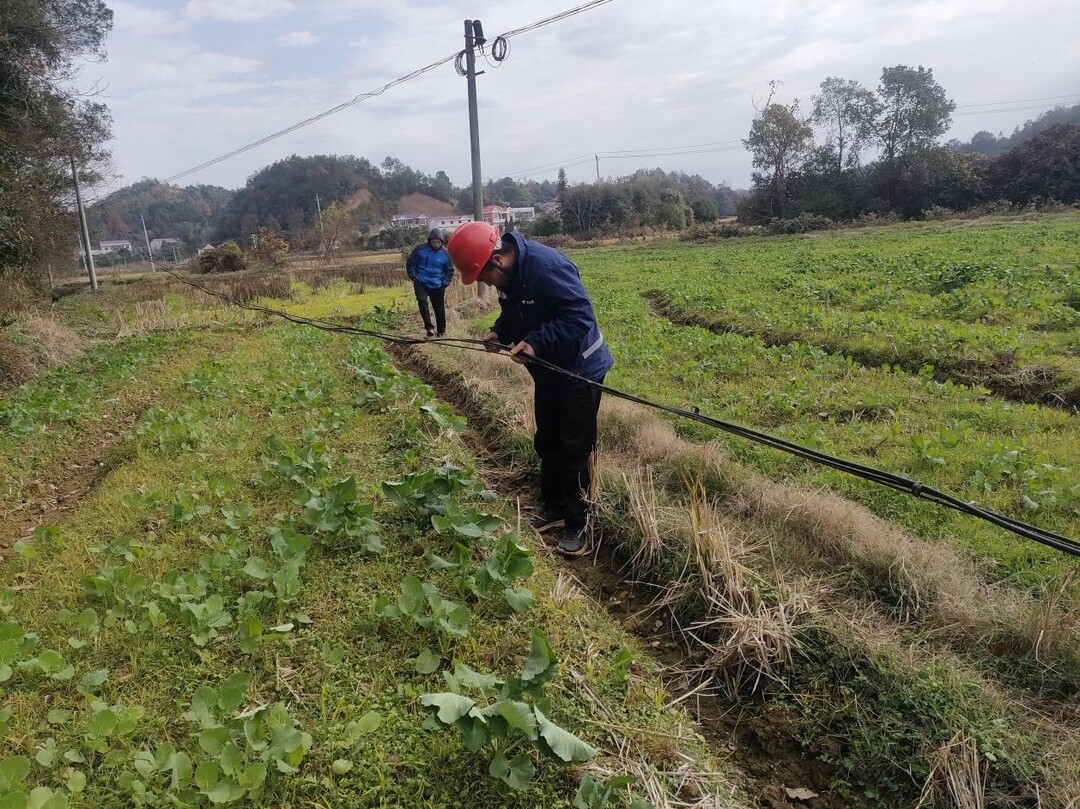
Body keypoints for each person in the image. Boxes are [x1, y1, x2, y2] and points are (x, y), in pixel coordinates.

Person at [446, 221, 613, 557]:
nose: (484, 283)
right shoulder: (509, 275)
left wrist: (535, 342)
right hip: (548, 371)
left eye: (482, 277)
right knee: (547, 441)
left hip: (580, 369)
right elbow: (514, 313)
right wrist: (499, 333)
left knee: (573, 449)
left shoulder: (546, 267)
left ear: (496, 260)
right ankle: (554, 508)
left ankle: (580, 522)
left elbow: (579, 317)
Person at [405, 228, 453, 338]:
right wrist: (413, 277)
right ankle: (429, 327)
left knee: (439, 308)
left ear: (441, 242)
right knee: (422, 302)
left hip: (437, 285)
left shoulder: (446, 254)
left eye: (438, 242)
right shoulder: (420, 250)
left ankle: (441, 331)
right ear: (429, 241)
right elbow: (410, 263)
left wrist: (445, 283)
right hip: (421, 282)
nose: (436, 244)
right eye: (434, 242)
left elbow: (449, 271)